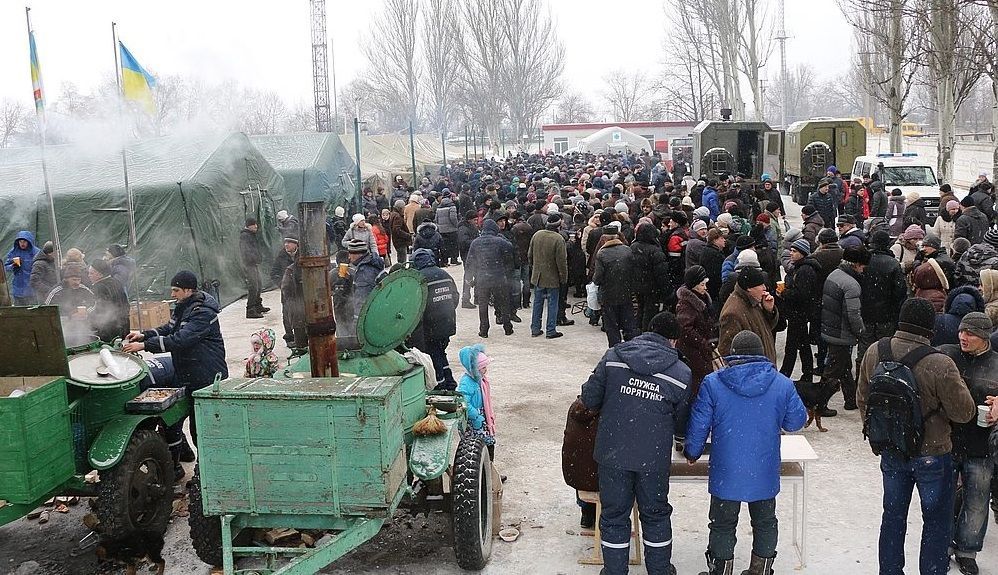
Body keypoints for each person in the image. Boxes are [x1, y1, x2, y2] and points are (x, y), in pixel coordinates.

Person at [857, 298, 975, 575]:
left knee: (893, 517)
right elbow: (964, 413)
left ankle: (890, 571)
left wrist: (881, 432)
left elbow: (863, 398)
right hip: (932, 453)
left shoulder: (876, 351)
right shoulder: (940, 363)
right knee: (936, 521)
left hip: (891, 449)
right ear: (930, 328)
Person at [685, 330, 807, 575]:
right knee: (765, 521)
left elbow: (699, 424)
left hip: (726, 468)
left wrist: (692, 452)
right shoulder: (782, 384)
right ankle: (761, 569)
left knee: (722, 523)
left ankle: (721, 569)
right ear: (761, 354)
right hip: (764, 467)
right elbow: (796, 422)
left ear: (732, 355)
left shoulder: (713, 383)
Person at [580, 312, 691, 575]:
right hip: (653, 459)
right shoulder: (681, 373)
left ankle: (614, 571)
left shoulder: (613, 357)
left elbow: (589, 398)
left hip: (613, 453)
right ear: (673, 340)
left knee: (614, 515)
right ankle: (660, 570)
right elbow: (682, 422)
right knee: (655, 514)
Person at [122, 271, 228, 476]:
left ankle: (208, 474)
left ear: (188, 290)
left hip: (207, 376)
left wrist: (145, 345)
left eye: (176, 290)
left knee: (202, 429)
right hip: (189, 373)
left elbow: (180, 339)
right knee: (180, 421)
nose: (172, 294)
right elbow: (169, 329)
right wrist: (144, 334)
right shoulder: (183, 307)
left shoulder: (203, 313)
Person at [937, 312, 998, 575]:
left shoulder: (996, 364)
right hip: (946, 441)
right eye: (962, 331)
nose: (963, 336)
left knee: (977, 503)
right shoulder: (946, 355)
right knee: (942, 500)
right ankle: (941, 546)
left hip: (981, 447)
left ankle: (967, 551)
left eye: (970, 333)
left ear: (984, 337)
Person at [819, 245, 869, 414]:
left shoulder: (834, 274)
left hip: (831, 328)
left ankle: (850, 399)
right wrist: (861, 331)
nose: (864, 270)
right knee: (833, 370)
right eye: (863, 266)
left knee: (844, 366)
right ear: (857, 264)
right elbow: (853, 314)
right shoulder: (851, 284)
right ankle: (820, 403)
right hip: (841, 333)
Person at [409, 248, 459, 390]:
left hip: (430, 325)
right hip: (448, 322)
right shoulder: (444, 274)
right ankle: (449, 379)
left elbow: (416, 305)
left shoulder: (419, 278)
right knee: (441, 351)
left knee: (433, 354)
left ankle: (440, 384)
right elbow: (455, 297)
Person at [780, 238, 822, 383]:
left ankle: (785, 375)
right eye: (791, 250)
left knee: (792, 346)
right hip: (799, 313)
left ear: (803, 253)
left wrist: (784, 293)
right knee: (802, 345)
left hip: (798, 313)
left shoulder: (805, 270)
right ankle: (806, 374)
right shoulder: (800, 267)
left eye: (794, 251)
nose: (791, 253)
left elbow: (802, 295)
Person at [717, 267, 779, 363]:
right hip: (754, 370)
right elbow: (727, 352)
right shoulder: (732, 313)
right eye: (760, 285)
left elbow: (767, 329)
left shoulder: (753, 301)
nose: (765, 288)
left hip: (763, 367)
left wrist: (769, 310)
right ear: (749, 288)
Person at [466, 219, 515, 338]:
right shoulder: (500, 241)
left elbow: (469, 262)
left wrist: (469, 278)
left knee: (483, 305)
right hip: (499, 276)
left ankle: (484, 330)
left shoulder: (475, 243)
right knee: (504, 302)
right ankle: (507, 327)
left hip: (482, 278)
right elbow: (510, 249)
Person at [593, 222, 638, 347]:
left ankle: (615, 349)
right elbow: (634, 272)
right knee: (629, 324)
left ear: (604, 238)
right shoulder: (627, 250)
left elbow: (597, 278)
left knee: (612, 326)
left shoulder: (602, 254)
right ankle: (631, 348)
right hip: (626, 293)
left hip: (608, 295)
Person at [527, 213, 568, 339]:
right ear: (558, 226)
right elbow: (561, 262)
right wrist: (563, 278)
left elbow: (530, 255)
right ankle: (550, 330)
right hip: (552, 277)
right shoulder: (558, 239)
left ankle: (535, 328)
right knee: (552, 303)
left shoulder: (537, 235)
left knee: (538, 303)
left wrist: (534, 268)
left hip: (538, 276)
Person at [676, 265, 713, 397]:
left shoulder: (701, 298)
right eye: (702, 285)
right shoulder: (686, 304)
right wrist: (702, 342)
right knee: (698, 384)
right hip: (692, 352)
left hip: (699, 350)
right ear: (694, 286)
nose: (705, 287)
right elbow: (684, 329)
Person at [457, 344, 498, 457]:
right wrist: (475, 416)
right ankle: (484, 466)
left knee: (489, 442)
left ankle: (489, 465)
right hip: (474, 420)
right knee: (477, 447)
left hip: (481, 417)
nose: (486, 370)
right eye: (483, 368)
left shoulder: (479, 380)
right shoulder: (466, 383)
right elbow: (463, 402)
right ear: (475, 369)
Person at [270, 237, 303, 348]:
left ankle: (303, 336)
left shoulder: (303, 255)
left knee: (302, 313)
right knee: (287, 314)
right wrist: (283, 284)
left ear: (296, 244)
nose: (286, 244)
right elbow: (274, 273)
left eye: (289, 242)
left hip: (301, 291)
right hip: (287, 292)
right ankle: (289, 337)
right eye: (285, 242)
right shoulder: (281, 256)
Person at [88, 260, 129, 343]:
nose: (89, 276)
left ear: (100, 274)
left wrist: (87, 313)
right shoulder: (116, 282)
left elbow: (100, 309)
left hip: (107, 328)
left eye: (91, 273)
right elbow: (126, 303)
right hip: (123, 324)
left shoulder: (99, 287)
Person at [239, 217, 267, 319]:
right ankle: (250, 310)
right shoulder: (245, 236)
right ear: (248, 226)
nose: (256, 226)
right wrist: (253, 259)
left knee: (259, 285)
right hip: (249, 264)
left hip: (253, 264)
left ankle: (257, 306)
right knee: (253, 286)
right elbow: (246, 251)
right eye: (253, 224)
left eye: (256, 224)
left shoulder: (250, 235)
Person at [4, 231, 41, 305]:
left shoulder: (36, 252)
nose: (22, 243)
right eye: (20, 241)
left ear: (29, 241)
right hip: (18, 289)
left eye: (24, 241)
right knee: (19, 310)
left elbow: (41, 266)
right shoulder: (13, 252)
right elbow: (6, 267)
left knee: (32, 310)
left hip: (32, 290)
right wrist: (13, 265)